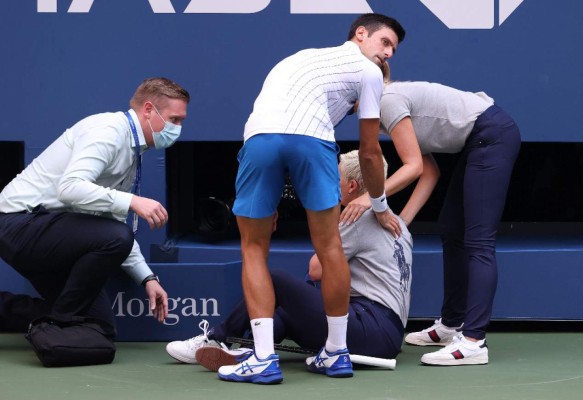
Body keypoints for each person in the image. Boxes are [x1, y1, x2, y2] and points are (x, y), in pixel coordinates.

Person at [223, 12, 406, 384]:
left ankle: (261, 358)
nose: (388, 53)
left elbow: (280, 125)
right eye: (385, 43)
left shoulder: (300, 58)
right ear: (360, 35)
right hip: (312, 142)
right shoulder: (370, 72)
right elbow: (370, 154)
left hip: (260, 139)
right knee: (330, 247)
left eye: (393, 49)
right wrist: (380, 205)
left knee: (253, 248)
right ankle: (336, 354)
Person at [340, 63, 521, 366]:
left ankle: (474, 340)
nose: (347, 104)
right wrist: (402, 222)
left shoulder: (387, 100)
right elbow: (430, 171)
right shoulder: (384, 109)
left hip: (491, 135)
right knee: (451, 229)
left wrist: (371, 199)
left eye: (348, 96)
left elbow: (413, 168)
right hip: (479, 140)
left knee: (478, 242)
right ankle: (452, 325)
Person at [166, 150, 413, 372]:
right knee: (284, 312)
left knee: (276, 281)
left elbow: (316, 270)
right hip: (387, 335)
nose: (331, 183)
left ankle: (218, 337)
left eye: (335, 177)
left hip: (369, 327)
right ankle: (248, 349)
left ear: (351, 186)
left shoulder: (357, 217)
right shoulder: (398, 222)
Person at [0, 77, 190, 340]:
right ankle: (60, 324)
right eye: (175, 119)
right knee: (116, 237)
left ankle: (49, 318)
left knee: (98, 328)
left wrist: (147, 278)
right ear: (148, 110)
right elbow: (69, 188)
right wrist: (134, 202)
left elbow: (111, 221)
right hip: (18, 224)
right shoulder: (108, 132)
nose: (178, 128)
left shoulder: (133, 148)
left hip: (51, 234)